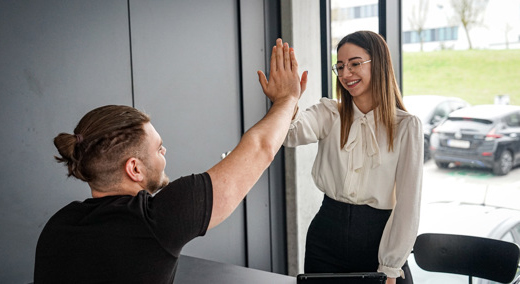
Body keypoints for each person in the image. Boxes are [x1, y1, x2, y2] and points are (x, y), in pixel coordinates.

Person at [34, 38, 308, 284]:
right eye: (158, 148)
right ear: (134, 168)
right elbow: (260, 148)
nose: (165, 152)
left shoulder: (59, 224)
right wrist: (287, 98)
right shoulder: (153, 221)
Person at [284, 30, 423, 284]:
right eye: (340, 66)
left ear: (378, 64)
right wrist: (288, 99)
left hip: (380, 241)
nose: (346, 73)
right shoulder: (329, 113)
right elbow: (290, 134)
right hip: (325, 237)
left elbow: (408, 205)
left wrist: (390, 267)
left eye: (355, 64)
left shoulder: (406, 126)